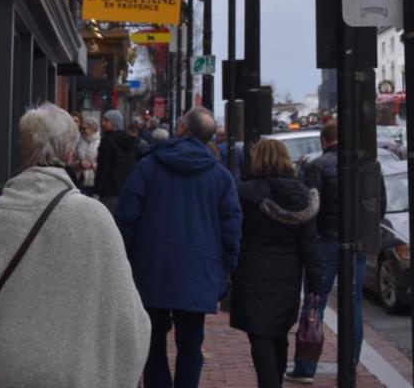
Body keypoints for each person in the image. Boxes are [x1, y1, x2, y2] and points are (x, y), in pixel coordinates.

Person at [0, 103, 149, 388]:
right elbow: (130, 321)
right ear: (68, 153)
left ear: (23, 149)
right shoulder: (96, 218)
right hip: (73, 375)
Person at [116, 106, 242, 388]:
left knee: (153, 339)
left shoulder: (149, 166)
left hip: (152, 267)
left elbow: (126, 218)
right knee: (190, 343)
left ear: (182, 128)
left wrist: (126, 260)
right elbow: (232, 228)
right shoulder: (220, 177)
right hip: (199, 271)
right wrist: (227, 268)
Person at [229, 139, 322, 388]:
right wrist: (316, 283)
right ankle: (275, 381)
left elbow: (233, 233)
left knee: (259, 334)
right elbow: (309, 244)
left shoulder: (244, 192)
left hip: (252, 270)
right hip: (288, 273)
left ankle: (268, 383)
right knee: (279, 332)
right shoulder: (301, 195)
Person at [285, 120, 364, 383]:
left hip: (325, 242)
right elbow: (378, 203)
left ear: (323, 141)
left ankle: (306, 367)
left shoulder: (316, 166)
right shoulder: (364, 164)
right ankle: (350, 364)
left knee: (314, 302)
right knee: (353, 305)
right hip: (355, 242)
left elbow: (309, 207)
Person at [94, 109, 141, 214]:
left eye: (106, 121)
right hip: (126, 188)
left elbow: (103, 167)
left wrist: (97, 190)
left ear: (114, 123)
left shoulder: (107, 141)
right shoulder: (130, 142)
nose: (103, 123)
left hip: (109, 189)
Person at [74, 117, 99, 194]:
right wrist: (80, 164)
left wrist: (92, 165)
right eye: (82, 128)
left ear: (94, 129)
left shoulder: (100, 142)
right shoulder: (78, 141)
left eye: (87, 128)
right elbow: (72, 159)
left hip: (94, 178)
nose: (84, 131)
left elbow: (104, 162)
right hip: (79, 176)